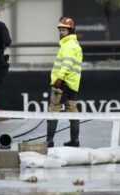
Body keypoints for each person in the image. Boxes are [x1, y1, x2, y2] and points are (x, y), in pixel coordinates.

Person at [47, 17, 83, 148]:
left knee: (53, 110)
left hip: (62, 84)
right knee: (72, 112)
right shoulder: (75, 45)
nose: (61, 32)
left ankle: (49, 141)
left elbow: (66, 64)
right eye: (60, 30)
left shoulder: (68, 45)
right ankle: (75, 141)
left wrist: (59, 78)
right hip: (72, 85)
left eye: (64, 30)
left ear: (71, 31)